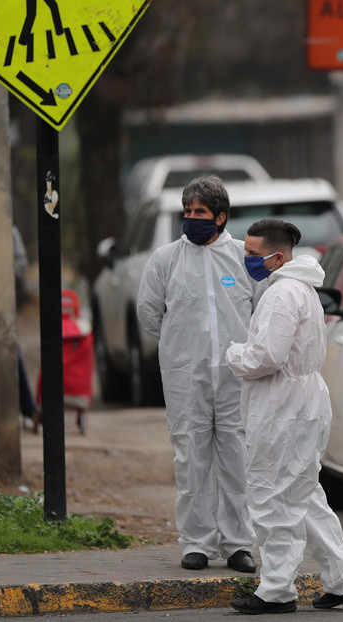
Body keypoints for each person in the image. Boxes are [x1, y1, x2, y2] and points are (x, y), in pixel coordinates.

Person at [226, 219, 343, 614]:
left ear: (277, 257)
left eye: (253, 254)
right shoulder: (297, 288)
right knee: (301, 493)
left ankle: (276, 590)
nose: (247, 259)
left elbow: (267, 357)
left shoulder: (281, 294)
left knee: (273, 497)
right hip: (300, 402)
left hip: (283, 407)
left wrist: (234, 353)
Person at [137, 175, 257, 574]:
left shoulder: (243, 258)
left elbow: (262, 311)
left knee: (236, 459)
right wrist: (179, 347)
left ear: (220, 217)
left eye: (200, 212)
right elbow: (149, 314)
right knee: (191, 458)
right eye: (187, 212)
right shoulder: (166, 259)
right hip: (185, 377)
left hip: (235, 377)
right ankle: (196, 543)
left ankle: (239, 544)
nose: (192, 218)